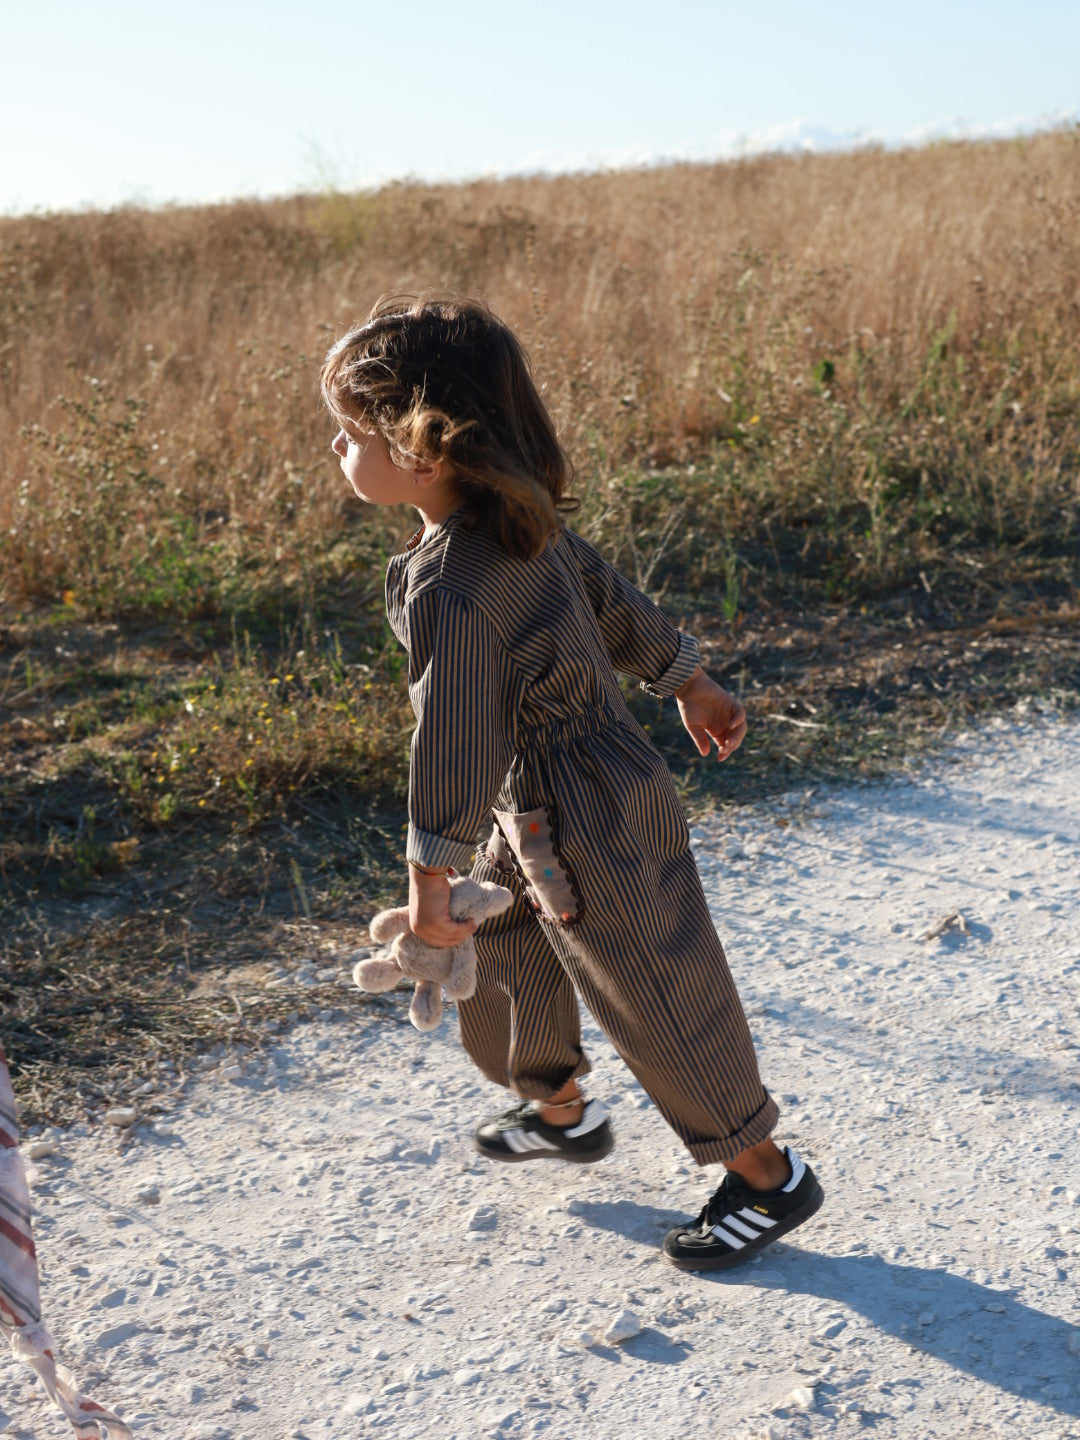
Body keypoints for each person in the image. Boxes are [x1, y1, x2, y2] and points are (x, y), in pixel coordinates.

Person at [321, 294, 823, 1270]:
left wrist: (431, 892)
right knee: (506, 950)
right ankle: (556, 1103)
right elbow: (606, 594)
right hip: (533, 801)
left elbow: (452, 747)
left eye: (349, 433)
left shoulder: (455, 583)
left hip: (583, 810)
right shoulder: (506, 525)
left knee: (653, 978)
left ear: (422, 445)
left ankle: (765, 1172)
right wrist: (690, 679)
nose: (338, 452)